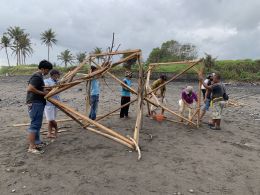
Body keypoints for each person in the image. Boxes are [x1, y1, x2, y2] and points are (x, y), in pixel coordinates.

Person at [26, 60, 53, 154]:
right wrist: (43, 93)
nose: (48, 72)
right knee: (35, 125)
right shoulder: (37, 76)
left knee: (37, 124)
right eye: (47, 70)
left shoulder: (39, 76)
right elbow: (30, 88)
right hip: (35, 102)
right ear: (42, 69)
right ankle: (32, 147)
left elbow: (39, 87)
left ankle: (36, 143)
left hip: (37, 102)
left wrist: (49, 88)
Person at [44, 69, 61, 138]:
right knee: (50, 119)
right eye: (58, 74)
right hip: (49, 103)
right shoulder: (46, 81)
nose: (59, 76)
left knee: (51, 119)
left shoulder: (58, 81)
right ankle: (56, 129)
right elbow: (46, 89)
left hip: (56, 102)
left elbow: (65, 83)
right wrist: (55, 86)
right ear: (54, 75)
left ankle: (49, 133)